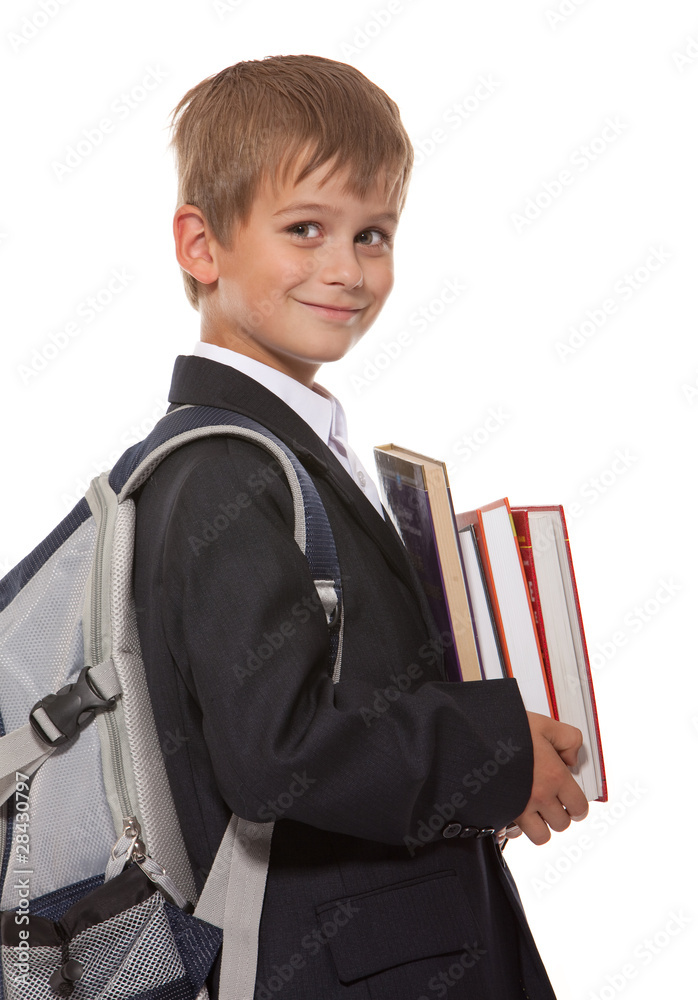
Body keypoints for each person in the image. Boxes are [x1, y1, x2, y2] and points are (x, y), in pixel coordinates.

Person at [132, 54, 589, 999]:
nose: (347, 269)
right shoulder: (223, 468)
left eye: (373, 234)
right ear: (201, 245)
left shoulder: (289, 451)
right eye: (306, 229)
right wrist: (494, 754)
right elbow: (276, 756)